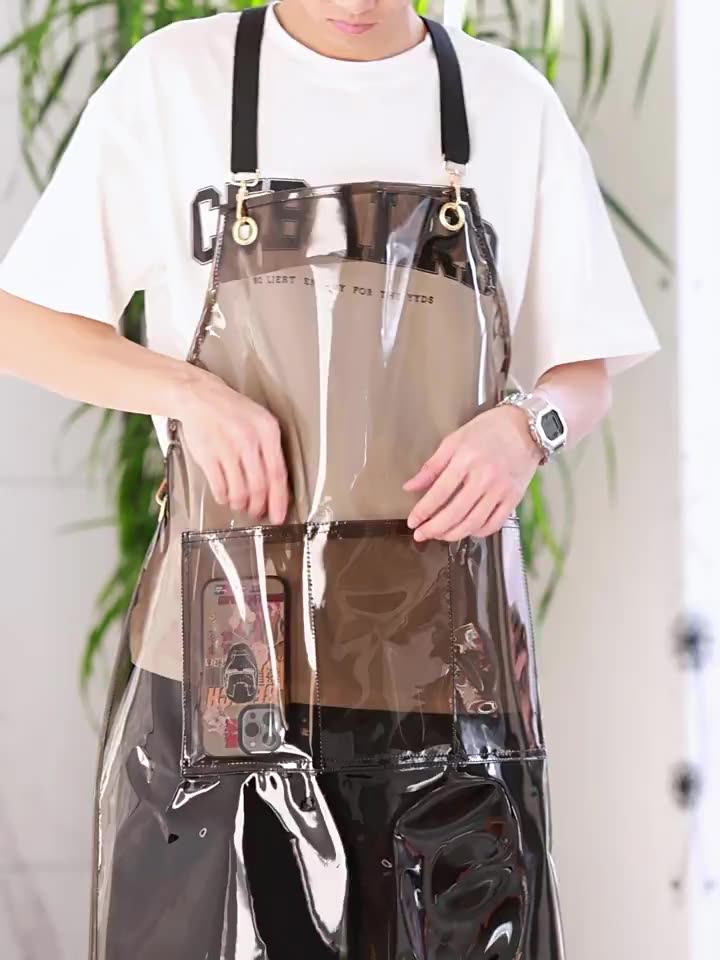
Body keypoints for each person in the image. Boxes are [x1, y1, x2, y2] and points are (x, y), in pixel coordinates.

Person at [0, 2, 660, 958]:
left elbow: (584, 370)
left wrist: (528, 428)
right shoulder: (174, 81)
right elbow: (22, 321)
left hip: (443, 675)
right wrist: (188, 394)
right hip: (225, 669)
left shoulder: (511, 105)